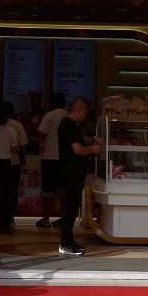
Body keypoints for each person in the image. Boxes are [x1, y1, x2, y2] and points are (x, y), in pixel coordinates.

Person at [56, 96, 101, 256]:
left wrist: (91, 141)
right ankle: (65, 243)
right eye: (85, 113)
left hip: (71, 172)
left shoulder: (68, 124)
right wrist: (92, 149)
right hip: (71, 172)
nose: (85, 116)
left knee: (71, 207)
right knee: (70, 207)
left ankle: (68, 241)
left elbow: (78, 141)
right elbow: (78, 149)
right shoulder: (68, 124)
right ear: (80, 110)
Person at [34, 92, 67, 228]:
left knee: (48, 191)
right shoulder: (69, 116)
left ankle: (46, 220)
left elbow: (41, 135)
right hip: (65, 158)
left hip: (49, 157)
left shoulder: (49, 116)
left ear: (51, 103)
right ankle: (64, 219)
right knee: (64, 191)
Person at [0, 101, 23, 234]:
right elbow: (14, 149)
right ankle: (5, 225)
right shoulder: (11, 130)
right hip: (5, 164)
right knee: (6, 195)